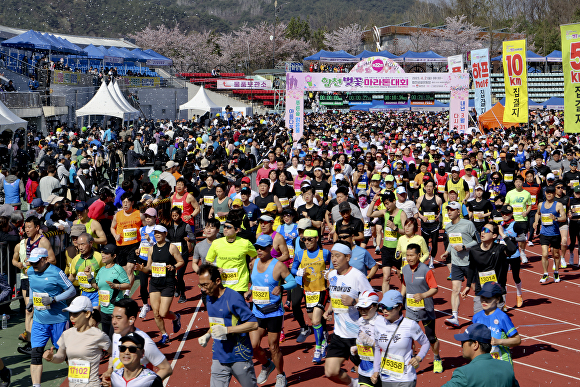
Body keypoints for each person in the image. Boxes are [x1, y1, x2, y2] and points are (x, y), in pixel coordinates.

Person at [196, 264, 259, 387]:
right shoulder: (209, 298)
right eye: (200, 285)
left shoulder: (233, 298)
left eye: (205, 285)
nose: (202, 289)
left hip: (239, 356)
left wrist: (227, 330)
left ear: (217, 281)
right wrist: (208, 334)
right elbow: (217, 322)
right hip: (219, 356)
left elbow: (253, 324)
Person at [323, 241, 373, 386]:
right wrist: (329, 310)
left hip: (358, 334)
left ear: (348, 257)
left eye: (337, 256)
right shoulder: (332, 276)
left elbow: (372, 301)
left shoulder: (358, 276)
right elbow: (336, 296)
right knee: (330, 372)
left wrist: (354, 301)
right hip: (339, 334)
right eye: (332, 256)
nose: (334, 259)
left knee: (370, 375)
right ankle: (354, 384)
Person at [250, 234, 296, 387]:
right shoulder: (253, 263)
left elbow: (292, 282)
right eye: (257, 247)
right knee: (253, 346)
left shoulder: (278, 265)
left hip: (274, 312)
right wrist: (249, 291)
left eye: (263, 248)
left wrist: (281, 287)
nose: (259, 250)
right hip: (257, 311)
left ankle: (281, 375)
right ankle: (266, 364)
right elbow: (254, 284)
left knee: (273, 347)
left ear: (271, 248)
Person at [26, 247, 76, 387]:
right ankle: (36, 385)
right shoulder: (30, 271)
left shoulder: (56, 272)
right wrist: (30, 300)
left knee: (65, 353)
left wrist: (54, 299)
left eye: (37, 262)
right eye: (31, 262)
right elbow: (32, 286)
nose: (33, 265)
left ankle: (78, 379)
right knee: (36, 354)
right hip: (39, 320)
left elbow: (71, 290)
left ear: (45, 259)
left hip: (58, 320)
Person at [42, 296, 110, 387]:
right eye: (70, 313)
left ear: (87, 314)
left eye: (75, 314)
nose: (71, 318)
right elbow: (61, 357)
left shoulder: (98, 335)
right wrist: (51, 358)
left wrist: (110, 370)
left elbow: (116, 353)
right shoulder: (67, 334)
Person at [370, 290, 430, 387]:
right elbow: (377, 348)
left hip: (406, 378)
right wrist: (376, 370)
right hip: (386, 378)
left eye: (389, 307)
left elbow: (426, 343)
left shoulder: (410, 325)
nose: (384, 310)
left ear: (399, 306)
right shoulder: (378, 323)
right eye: (383, 307)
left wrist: (418, 358)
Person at [135, 225, 183, 344]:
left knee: (163, 313)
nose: (157, 235)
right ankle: (164, 334)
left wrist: (173, 267)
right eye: (155, 233)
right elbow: (149, 268)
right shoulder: (151, 249)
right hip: (155, 283)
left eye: (159, 233)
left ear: (165, 234)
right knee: (156, 313)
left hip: (168, 283)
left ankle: (176, 317)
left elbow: (181, 261)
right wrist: (142, 269)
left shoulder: (171, 247)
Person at [103, 298, 173, 380]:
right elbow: (114, 356)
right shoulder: (116, 335)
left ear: (131, 320)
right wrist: (109, 370)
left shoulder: (145, 342)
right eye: (113, 317)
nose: (113, 322)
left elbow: (166, 369)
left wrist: (148, 384)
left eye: (118, 318)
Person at [400, 243, 443, 374]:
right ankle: (410, 360)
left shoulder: (426, 270)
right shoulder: (405, 269)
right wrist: (400, 300)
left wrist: (423, 295)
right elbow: (404, 286)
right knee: (407, 337)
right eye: (407, 255)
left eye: (412, 255)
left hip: (426, 310)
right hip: (410, 310)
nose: (409, 258)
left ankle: (437, 359)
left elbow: (434, 288)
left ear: (419, 255)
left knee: (431, 337)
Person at [290, 228, 330, 358]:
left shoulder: (325, 253)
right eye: (304, 240)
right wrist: (297, 272)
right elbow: (293, 268)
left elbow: (335, 264)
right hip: (308, 292)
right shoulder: (300, 254)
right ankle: (323, 342)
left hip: (321, 291)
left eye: (309, 239)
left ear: (317, 239)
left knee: (316, 321)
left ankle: (318, 349)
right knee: (314, 321)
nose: (307, 242)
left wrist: (330, 272)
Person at [441, 323, 520, 387]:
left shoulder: (464, 373)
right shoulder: (507, 367)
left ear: (475, 344)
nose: (461, 346)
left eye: (463, 342)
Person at [440, 201, 478, 327]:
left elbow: (478, 241)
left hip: (469, 263)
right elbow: (452, 243)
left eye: (452, 209)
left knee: (475, 289)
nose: (449, 212)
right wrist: (447, 252)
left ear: (458, 211)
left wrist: (465, 246)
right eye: (448, 209)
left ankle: (485, 312)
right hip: (456, 263)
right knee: (455, 289)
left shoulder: (468, 224)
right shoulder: (448, 227)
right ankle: (455, 316)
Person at [206, 218, 258, 297]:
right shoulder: (216, 243)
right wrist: (215, 268)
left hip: (240, 284)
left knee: (235, 308)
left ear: (237, 230)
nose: (225, 229)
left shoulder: (245, 243)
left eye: (229, 227)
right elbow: (208, 261)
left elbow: (256, 256)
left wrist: (252, 265)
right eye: (224, 227)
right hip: (222, 283)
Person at [472, 282, 521, 363]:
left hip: (501, 362)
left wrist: (499, 341)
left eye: (488, 298)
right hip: (484, 363)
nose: (484, 301)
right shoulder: (476, 317)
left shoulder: (502, 317)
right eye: (482, 297)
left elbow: (517, 340)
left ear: (497, 299)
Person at [369, 191, 407, 293]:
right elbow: (369, 214)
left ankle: (403, 297)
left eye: (388, 203)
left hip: (398, 250)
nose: (386, 206)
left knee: (401, 275)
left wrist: (395, 228)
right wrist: (374, 200)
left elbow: (406, 231)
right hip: (386, 249)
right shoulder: (384, 212)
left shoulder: (401, 214)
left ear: (394, 201)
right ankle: (385, 301)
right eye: (385, 204)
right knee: (386, 277)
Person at [111, 192, 146, 297]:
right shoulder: (117, 215)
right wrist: (115, 235)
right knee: (125, 270)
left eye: (127, 202)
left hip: (134, 244)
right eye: (123, 202)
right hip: (121, 245)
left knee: (130, 268)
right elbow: (112, 227)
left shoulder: (139, 215)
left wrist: (144, 240)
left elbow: (145, 228)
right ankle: (128, 286)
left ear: (132, 203)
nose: (125, 204)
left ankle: (127, 291)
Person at [91, 244, 131, 337]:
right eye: (102, 252)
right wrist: (89, 278)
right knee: (107, 340)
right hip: (104, 310)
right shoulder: (101, 270)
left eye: (106, 253)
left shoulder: (118, 269)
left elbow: (128, 285)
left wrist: (116, 286)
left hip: (115, 310)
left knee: (114, 339)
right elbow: (97, 287)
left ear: (114, 256)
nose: (103, 255)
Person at [533, 185, 566, 283]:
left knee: (556, 254)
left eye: (551, 193)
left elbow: (564, 218)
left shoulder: (558, 205)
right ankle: (545, 274)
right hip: (544, 234)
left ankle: (556, 271)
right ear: (545, 193)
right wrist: (535, 222)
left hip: (555, 233)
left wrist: (555, 218)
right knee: (544, 254)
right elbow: (537, 214)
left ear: (554, 194)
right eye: (548, 193)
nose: (549, 195)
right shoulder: (541, 205)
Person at [350, 291, 381, 387]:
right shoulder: (360, 321)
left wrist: (372, 342)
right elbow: (362, 341)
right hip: (364, 368)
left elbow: (388, 347)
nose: (363, 311)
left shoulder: (382, 323)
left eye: (366, 308)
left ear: (376, 307)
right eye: (360, 308)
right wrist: (357, 348)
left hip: (380, 370)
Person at [68, 233, 104, 308]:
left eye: (83, 244)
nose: (80, 248)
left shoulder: (99, 257)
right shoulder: (76, 259)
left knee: (94, 316)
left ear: (91, 243)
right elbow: (72, 277)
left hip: (97, 293)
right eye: (78, 245)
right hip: (83, 293)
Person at [168, 206, 195, 303]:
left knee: (179, 276)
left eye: (176, 215)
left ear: (180, 215)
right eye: (173, 215)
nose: (174, 217)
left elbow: (193, 238)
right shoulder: (169, 225)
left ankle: (182, 295)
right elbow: (166, 238)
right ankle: (177, 287)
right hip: (172, 254)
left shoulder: (185, 226)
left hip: (182, 253)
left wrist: (189, 239)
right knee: (170, 274)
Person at [136, 208, 158, 319]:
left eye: (150, 217)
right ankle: (145, 305)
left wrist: (150, 241)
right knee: (143, 284)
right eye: (146, 217)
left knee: (154, 284)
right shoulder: (142, 229)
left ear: (155, 218)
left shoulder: (158, 230)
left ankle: (156, 304)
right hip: (142, 259)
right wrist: (139, 249)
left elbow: (159, 246)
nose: (147, 219)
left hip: (153, 261)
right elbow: (141, 242)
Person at [504, 176, 532, 262]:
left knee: (522, 238)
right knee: (511, 237)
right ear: (514, 183)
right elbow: (506, 204)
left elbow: (530, 205)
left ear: (522, 183)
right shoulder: (509, 193)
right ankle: (511, 254)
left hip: (522, 219)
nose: (518, 183)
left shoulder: (526, 193)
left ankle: (523, 253)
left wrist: (526, 212)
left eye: (520, 182)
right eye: (516, 182)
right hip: (512, 219)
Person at [416, 180, 443, 268]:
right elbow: (415, 211)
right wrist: (422, 217)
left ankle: (431, 261)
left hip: (434, 225)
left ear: (434, 188)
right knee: (424, 244)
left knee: (435, 243)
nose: (429, 188)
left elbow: (442, 211)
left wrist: (438, 216)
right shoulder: (420, 198)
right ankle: (427, 250)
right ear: (424, 187)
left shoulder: (438, 199)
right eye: (427, 186)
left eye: (430, 186)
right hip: (425, 225)